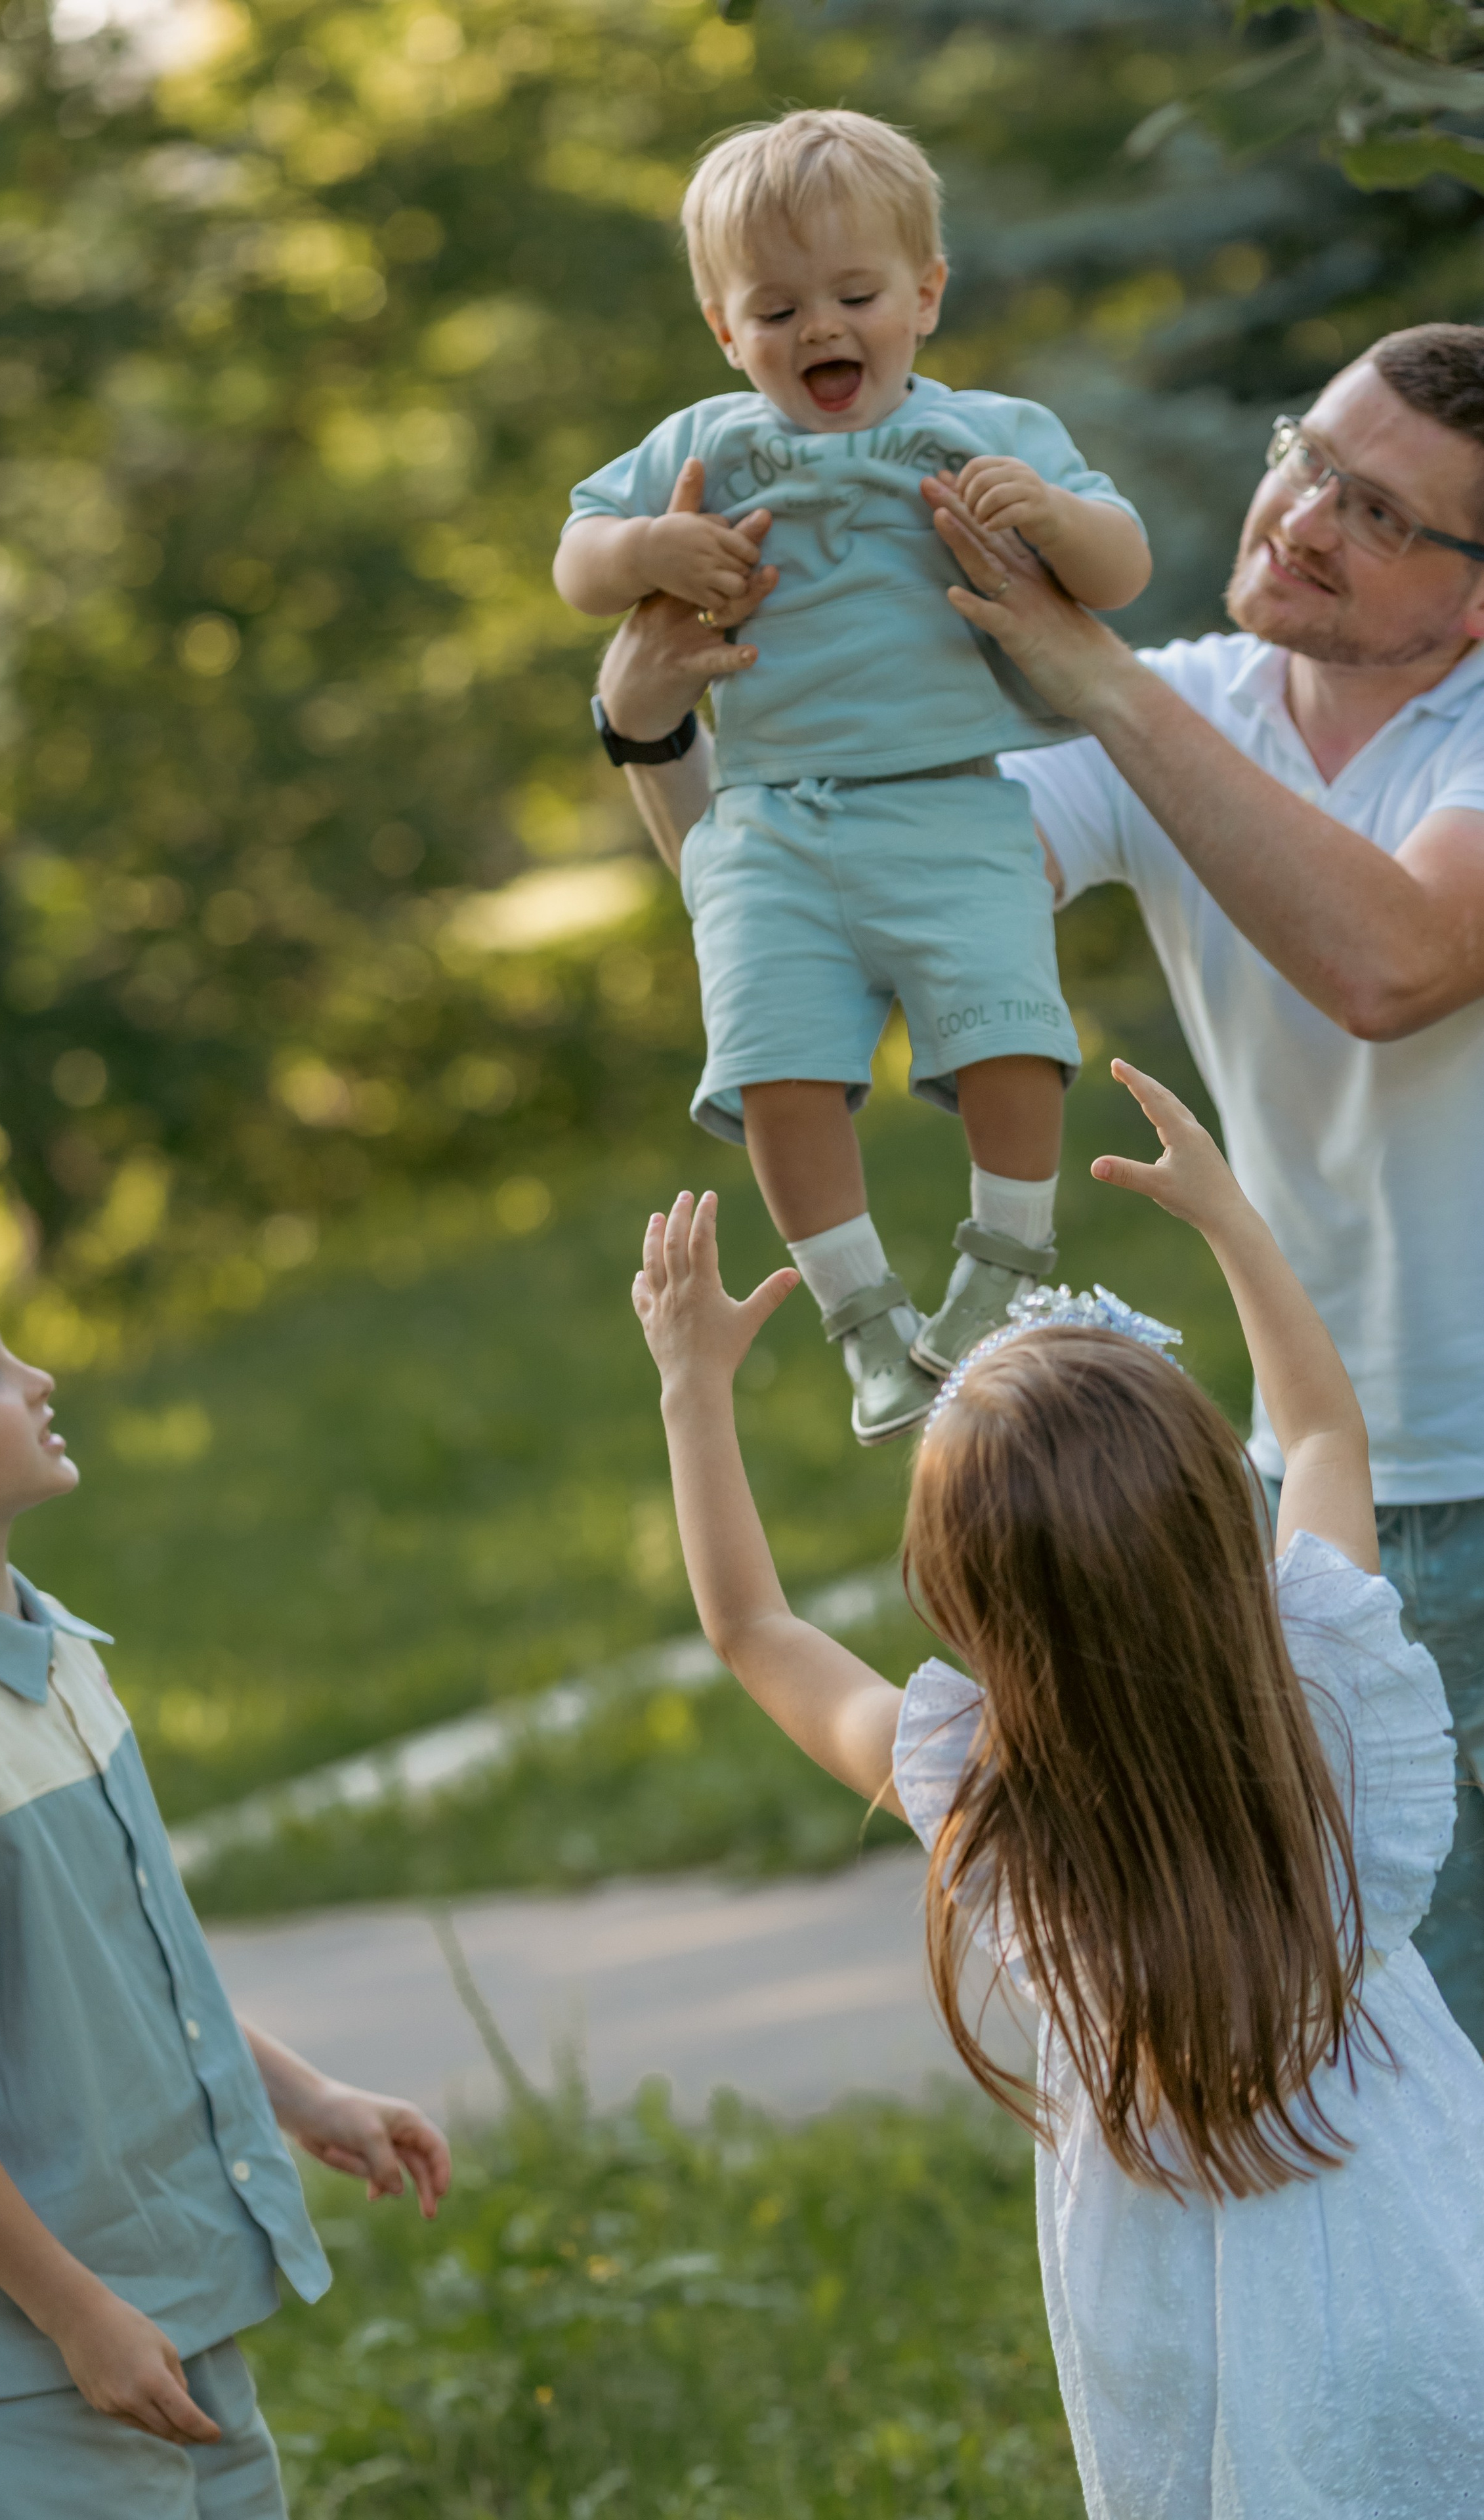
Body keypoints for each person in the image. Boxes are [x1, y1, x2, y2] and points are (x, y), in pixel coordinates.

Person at [595, 320, 1484, 2052]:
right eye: (1309, 459)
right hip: (1324, 1470)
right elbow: (815, 922)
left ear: (1472, 601)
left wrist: (1100, 682)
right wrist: (650, 731)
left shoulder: (1287, 722)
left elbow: (1395, 964)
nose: (1303, 517)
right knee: (1370, 2024)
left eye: (1380, 514)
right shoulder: (1192, 707)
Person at [631, 1058, 1484, 2519]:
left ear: (971, 1603)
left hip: (1165, 2321)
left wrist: (690, 1392)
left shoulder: (988, 1796)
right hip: (1418, 2254)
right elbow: (1325, 1435)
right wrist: (1231, 1219)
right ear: (1219, 1509)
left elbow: (754, 1630)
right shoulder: (1325, 1697)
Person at [0, 1254, 452, 2519]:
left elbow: (126, 1958)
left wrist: (304, 2095)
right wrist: (74, 2314)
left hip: (156, 2298)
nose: (40, 1379)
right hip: (25, 2351)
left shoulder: (52, 1654)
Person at [557, 108, 1150, 1446]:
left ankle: (1005, 1265)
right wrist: (648, 550)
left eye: (855, 296)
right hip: (771, 821)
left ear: (924, 297)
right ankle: (866, 1324)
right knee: (777, 1073)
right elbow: (577, 555)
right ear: (725, 330)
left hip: (948, 798)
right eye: (776, 310)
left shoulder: (987, 432)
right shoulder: (706, 445)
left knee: (1011, 1035)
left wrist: (1051, 517)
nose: (819, 327)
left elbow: (1120, 566)